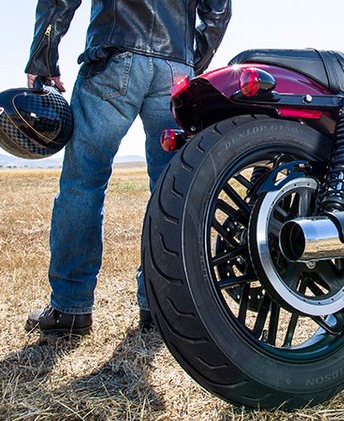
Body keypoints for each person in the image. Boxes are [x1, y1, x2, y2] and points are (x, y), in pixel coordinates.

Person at [23, 0, 232, 336]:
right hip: (175, 66)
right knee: (172, 192)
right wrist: (192, 62)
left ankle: (70, 308)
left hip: (113, 54)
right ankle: (160, 307)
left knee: (82, 184)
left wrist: (42, 58)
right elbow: (218, 10)